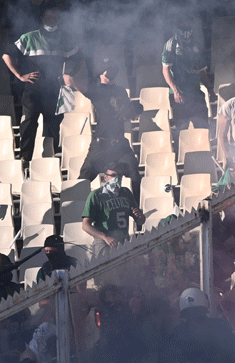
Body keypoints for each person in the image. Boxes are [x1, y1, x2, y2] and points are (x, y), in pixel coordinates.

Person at [2, 5, 79, 162]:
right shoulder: (29, 37)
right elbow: (6, 55)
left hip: (55, 91)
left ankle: (49, 160)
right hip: (33, 90)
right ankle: (25, 158)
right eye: (49, 18)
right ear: (42, 19)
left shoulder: (66, 38)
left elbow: (80, 59)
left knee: (52, 126)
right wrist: (19, 75)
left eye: (55, 18)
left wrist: (70, 74)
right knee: (29, 125)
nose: (52, 21)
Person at [63, 58, 142, 201]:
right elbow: (70, 81)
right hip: (101, 145)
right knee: (83, 179)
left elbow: (129, 113)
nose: (112, 70)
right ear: (102, 72)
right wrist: (76, 69)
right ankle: (76, 210)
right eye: (108, 68)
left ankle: (136, 209)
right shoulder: (96, 90)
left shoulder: (120, 90)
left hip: (120, 144)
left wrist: (135, 111)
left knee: (135, 176)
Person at [81, 162, 145, 258]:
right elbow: (85, 225)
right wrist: (104, 237)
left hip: (124, 241)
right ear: (106, 177)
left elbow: (140, 221)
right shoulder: (96, 195)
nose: (117, 178)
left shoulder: (126, 192)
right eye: (113, 175)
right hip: (105, 242)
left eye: (119, 175)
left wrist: (139, 215)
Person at [162, 14, 214, 131]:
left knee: (203, 128)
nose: (186, 27)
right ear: (177, 26)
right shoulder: (171, 45)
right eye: (183, 25)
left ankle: (204, 148)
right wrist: (175, 91)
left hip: (196, 93)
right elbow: (166, 70)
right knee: (183, 130)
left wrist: (210, 89)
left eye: (188, 24)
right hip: (179, 95)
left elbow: (202, 71)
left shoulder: (196, 45)